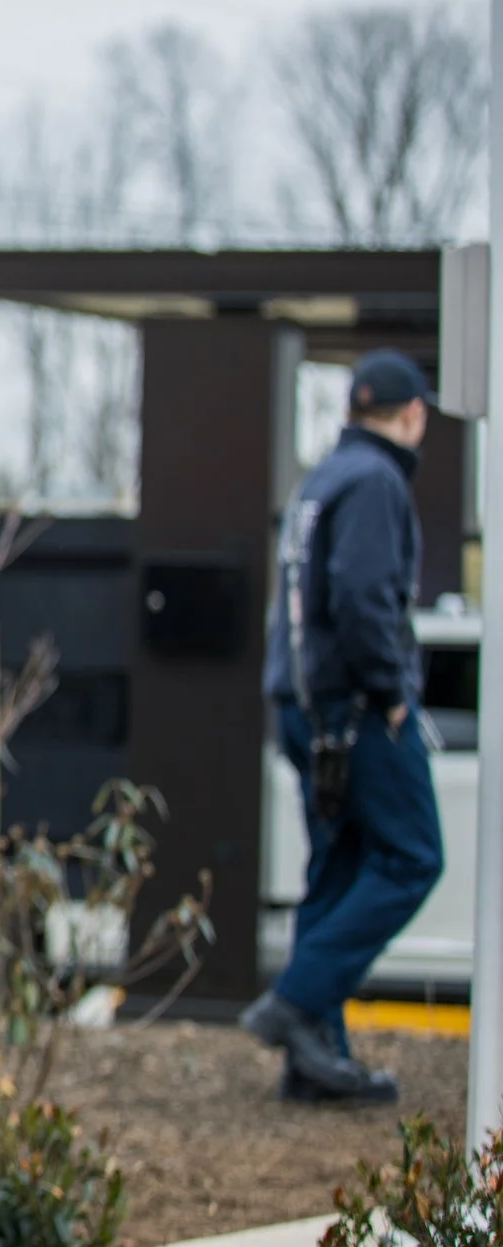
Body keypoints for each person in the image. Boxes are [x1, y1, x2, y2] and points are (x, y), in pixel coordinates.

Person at [242, 349, 444, 1105]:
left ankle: (315, 1057)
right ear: (413, 413)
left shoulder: (321, 480)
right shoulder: (378, 481)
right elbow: (363, 596)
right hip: (356, 708)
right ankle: (296, 1001)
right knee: (413, 856)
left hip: (303, 705)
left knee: (336, 865)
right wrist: (392, 690)